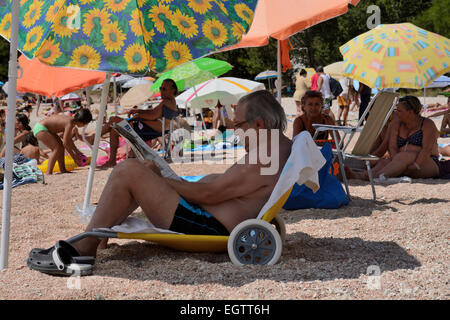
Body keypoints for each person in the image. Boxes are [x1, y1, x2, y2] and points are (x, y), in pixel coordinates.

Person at [27, 90, 293, 269]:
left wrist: (163, 179)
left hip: (208, 224)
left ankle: (85, 248)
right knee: (138, 172)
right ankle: (98, 231)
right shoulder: (275, 148)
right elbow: (222, 190)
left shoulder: (265, 155)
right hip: (208, 217)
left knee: (130, 170)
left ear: (258, 125)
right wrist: (169, 178)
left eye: (238, 125)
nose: (236, 132)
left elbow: (211, 195)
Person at [346, 96, 440, 180]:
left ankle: (377, 176)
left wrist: (415, 165)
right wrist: (396, 161)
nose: (396, 113)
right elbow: (392, 146)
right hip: (401, 161)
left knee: (403, 157)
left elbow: (426, 149)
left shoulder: (427, 124)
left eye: (399, 111)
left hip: (425, 162)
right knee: (383, 162)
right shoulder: (396, 123)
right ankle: (361, 176)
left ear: (410, 112)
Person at [97, 78, 180, 168]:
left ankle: (95, 137)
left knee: (114, 120)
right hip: (149, 128)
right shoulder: (169, 102)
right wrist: (138, 111)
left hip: (148, 130)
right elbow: (152, 112)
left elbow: (153, 116)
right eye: (160, 88)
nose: (161, 91)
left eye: (164, 89)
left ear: (173, 90)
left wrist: (139, 116)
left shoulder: (167, 102)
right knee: (114, 129)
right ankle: (111, 161)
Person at [33, 108, 92, 174]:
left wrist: (77, 152)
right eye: (85, 124)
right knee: (56, 148)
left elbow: (69, 140)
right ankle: (48, 172)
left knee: (60, 147)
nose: (84, 126)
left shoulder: (71, 120)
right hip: (41, 128)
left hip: (46, 129)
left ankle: (63, 169)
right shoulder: (69, 123)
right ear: (81, 122)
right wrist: (74, 157)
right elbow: (66, 143)